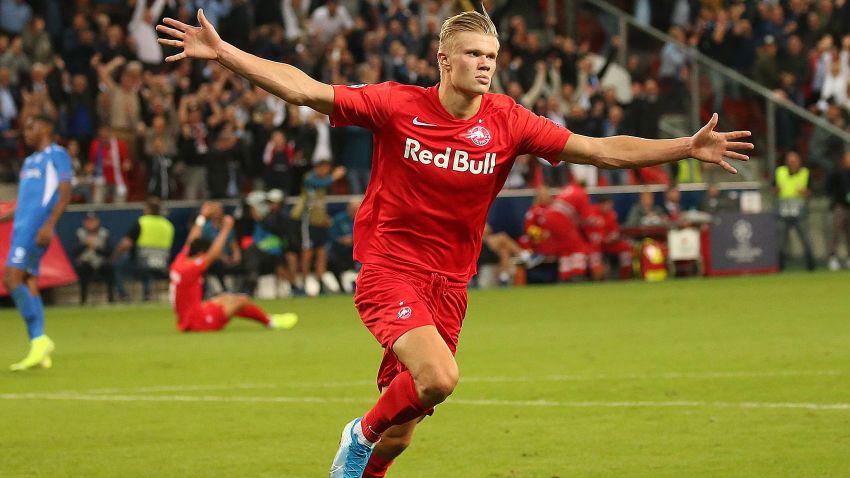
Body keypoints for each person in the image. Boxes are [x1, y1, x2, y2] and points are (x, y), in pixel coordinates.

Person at [157, 6, 752, 477]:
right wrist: (224, 53)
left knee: (404, 429)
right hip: (390, 269)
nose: (486, 64)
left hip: (450, 285)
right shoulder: (397, 106)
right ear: (444, 60)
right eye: (473, 54)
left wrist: (684, 148)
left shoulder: (508, 120)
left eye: (492, 55)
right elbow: (305, 89)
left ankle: (370, 453)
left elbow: (599, 149)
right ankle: (354, 438)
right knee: (438, 378)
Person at [0, 115, 71, 371]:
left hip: (35, 229)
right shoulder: (29, 161)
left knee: (11, 278)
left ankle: (39, 339)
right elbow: (24, 204)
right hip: (21, 227)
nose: (26, 133)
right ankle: (38, 348)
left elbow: (65, 192)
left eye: (31, 127)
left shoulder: (57, 154)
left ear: (46, 128)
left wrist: (50, 224)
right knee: (28, 281)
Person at [169, 205, 298, 332]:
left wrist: (202, 217)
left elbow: (190, 241)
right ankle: (271, 322)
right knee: (242, 300)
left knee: (225, 298)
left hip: (188, 316)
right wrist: (226, 229)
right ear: (200, 253)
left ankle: (269, 320)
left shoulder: (180, 261)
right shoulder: (191, 268)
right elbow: (212, 255)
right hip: (200, 321)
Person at [112, 196, 175, 301]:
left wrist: (114, 256)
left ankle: (124, 296)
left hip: (142, 263)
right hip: (163, 264)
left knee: (118, 267)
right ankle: (147, 296)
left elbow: (126, 243)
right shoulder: (168, 225)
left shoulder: (142, 222)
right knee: (148, 271)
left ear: (147, 209)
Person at [774, 151, 815, 271]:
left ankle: (811, 266)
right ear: (786, 162)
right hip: (783, 212)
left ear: (799, 162)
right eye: (790, 161)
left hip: (799, 212)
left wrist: (804, 192)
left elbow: (811, 192)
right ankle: (780, 266)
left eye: (794, 161)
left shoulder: (805, 173)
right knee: (781, 241)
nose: (792, 163)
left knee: (806, 239)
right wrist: (776, 190)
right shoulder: (779, 172)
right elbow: (773, 188)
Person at [75, 211, 114, 304]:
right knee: (83, 269)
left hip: (101, 261)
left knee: (109, 268)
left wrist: (96, 248)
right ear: (85, 222)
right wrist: (86, 245)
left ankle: (111, 299)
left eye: (93, 221)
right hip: (86, 262)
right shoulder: (80, 233)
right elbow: (75, 251)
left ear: (97, 221)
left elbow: (108, 252)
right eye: (88, 221)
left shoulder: (104, 233)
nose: (91, 223)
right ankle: (83, 300)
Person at [826, 152, 850, 270]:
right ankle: (833, 257)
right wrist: (836, 198)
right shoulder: (837, 173)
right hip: (840, 206)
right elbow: (829, 188)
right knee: (836, 233)